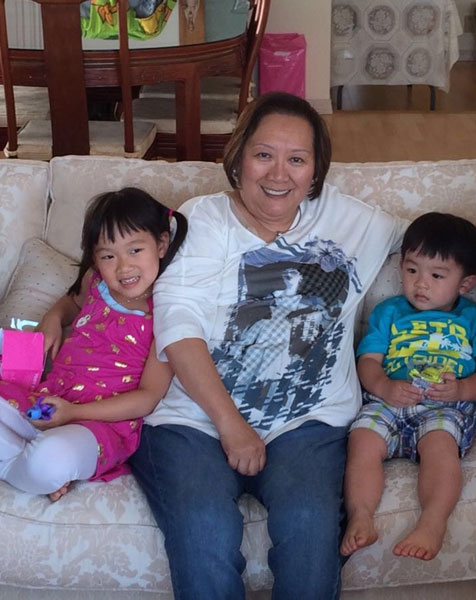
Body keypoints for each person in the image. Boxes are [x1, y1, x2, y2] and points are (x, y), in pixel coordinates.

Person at [129, 91, 406, 599]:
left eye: (297, 159)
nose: (279, 174)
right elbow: (178, 325)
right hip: (193, 422)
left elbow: (436, 245)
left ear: (315, 172)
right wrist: (232, 426)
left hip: (306, 424)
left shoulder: (353, 222)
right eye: (263, 154)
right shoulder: (201, 220)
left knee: (309, 525)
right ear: (238, 159)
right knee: (203, 526)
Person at [0, 187, 187, 501]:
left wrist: (74, 413)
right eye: (108, 256)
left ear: (161, 244)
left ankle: (6, 467)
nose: (123, 267)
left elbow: (148, 397)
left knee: (51, 459)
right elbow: (71, 302)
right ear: (95, 257)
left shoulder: (168, 313)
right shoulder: (95, 282)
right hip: (47, 401)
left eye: (135, 250)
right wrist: (54, 318)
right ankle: (24, 465)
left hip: (99, 426)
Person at [341, 212, 476, 562]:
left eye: (437, 275)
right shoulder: (388, 312)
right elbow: (368, 360)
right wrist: (384, 386)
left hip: (444, 407)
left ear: (465, 284)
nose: (421, 284)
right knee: (362, 441)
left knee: (440, 448)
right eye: (412, 270)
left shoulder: (470, 318)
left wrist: (462, 390)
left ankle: (433, 521)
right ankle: (361, 515)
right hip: (387, 401)